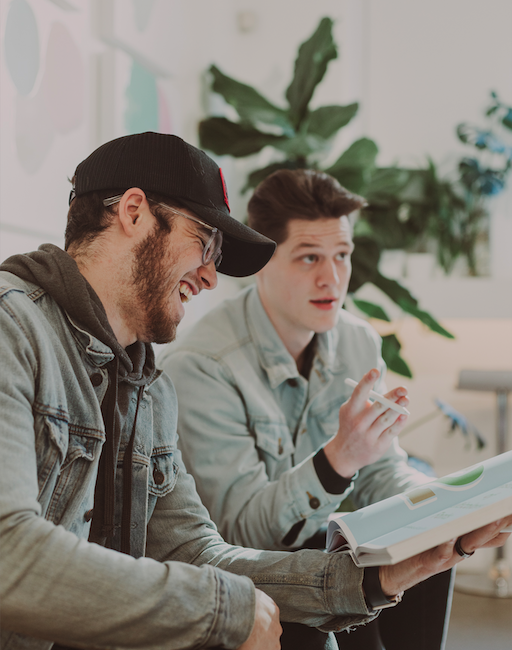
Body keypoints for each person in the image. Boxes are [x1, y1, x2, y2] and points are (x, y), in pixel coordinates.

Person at [0, 136, 509, 650]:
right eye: (203, 241)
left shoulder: (147, 389)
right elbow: (9, 555)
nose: (209, 277)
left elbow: (199, 554)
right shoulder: (12, 330)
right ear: (134, 212)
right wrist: (225, 607)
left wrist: (376, 579)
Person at [159, 168, 501, 650]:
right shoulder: (203, 366)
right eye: (309, 258)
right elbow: (241, 529)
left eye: (342, 255)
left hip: (330, 552)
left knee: (426, 541)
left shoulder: (358, 340)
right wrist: (338, 459)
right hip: (249, 572)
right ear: (261, 260)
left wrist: (444, 507)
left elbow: (383, 473)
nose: (332, 277)